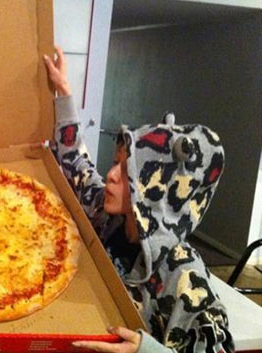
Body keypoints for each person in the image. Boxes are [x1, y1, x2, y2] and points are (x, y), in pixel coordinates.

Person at [43, 46, 235, 353]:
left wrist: (148, 350)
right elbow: (77, 166)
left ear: (157, 193)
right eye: (116, 163)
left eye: (127, 173)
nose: (110, 175)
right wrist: (64, 91)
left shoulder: (183, 271)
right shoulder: (110, 217)